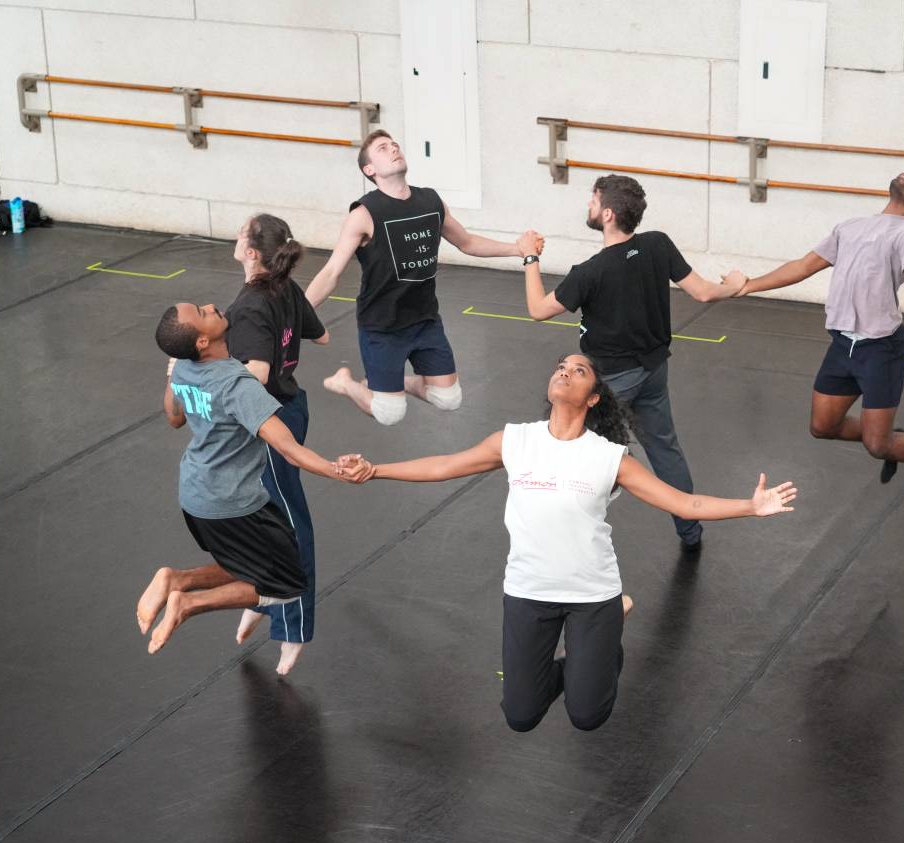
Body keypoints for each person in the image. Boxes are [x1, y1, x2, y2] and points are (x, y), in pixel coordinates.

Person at [334, 354, 797, 733]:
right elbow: (443, 465)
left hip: (591, 596)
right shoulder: (516, 441)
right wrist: (376, 469)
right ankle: (586, 657)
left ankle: (608, 635)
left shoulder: (609, 457)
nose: (565, 371)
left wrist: (750, 506)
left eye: (579, 371)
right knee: (520, 716)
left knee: (587, 714)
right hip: (528, 593)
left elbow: (685, 503)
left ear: (593, 397)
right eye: (560, 366)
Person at [520, 174, 745, 550]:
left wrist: (530, 256)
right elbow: (705, 293)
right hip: (654, 371)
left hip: (609, 382)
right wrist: (734, 284)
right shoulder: (657, 245)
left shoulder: (589, 272)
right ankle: (690, 532)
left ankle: (561, 533)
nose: (588, 207)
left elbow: (538, 309)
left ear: (607, 214)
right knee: (664, 449)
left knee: (571, 452)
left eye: (592, 202)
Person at [141, 302, 367, 674]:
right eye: (203, 311)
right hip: (234, 503)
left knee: (243, 565)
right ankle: (187, 603)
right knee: (286, 586)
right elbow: (287, 448)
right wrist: (335, 470)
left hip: (195, 496)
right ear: (202, 340)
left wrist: (173, 375)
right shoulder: (236, 384)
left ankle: (176, 578)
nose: (212, 306)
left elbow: (173, 417)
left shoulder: (184, 367)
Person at [730, 169, 904, 509]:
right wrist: (749, 285)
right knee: (822, 427)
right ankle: (889, 435)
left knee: (877, 447)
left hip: (881, 348)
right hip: (843, 344)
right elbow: (802, 266)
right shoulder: (850, 226)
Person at [305, 128, 542, 426]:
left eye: (394, 144)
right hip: (383, 326)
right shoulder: (365, 213)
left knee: (449, 399)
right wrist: (298, 311)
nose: (393, 149)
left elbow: (466, 242)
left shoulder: (430, 201)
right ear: (370, 170)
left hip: (424, 320)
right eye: (382, 148)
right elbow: (331, 271)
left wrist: (517, 249)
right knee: (390, 414)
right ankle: (348, 383)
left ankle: (394, 384)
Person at [224, 213, 329, 660]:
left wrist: (214, 374)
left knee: (288, 521)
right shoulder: (283, 287)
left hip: (269, 421)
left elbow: (256, 374)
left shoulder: (251, 304)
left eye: (240, 232)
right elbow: (320, 336)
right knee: (259, 520)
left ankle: (294, 625)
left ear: (251, 252)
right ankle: (262, 601)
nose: (235, 234)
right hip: (290, 408)